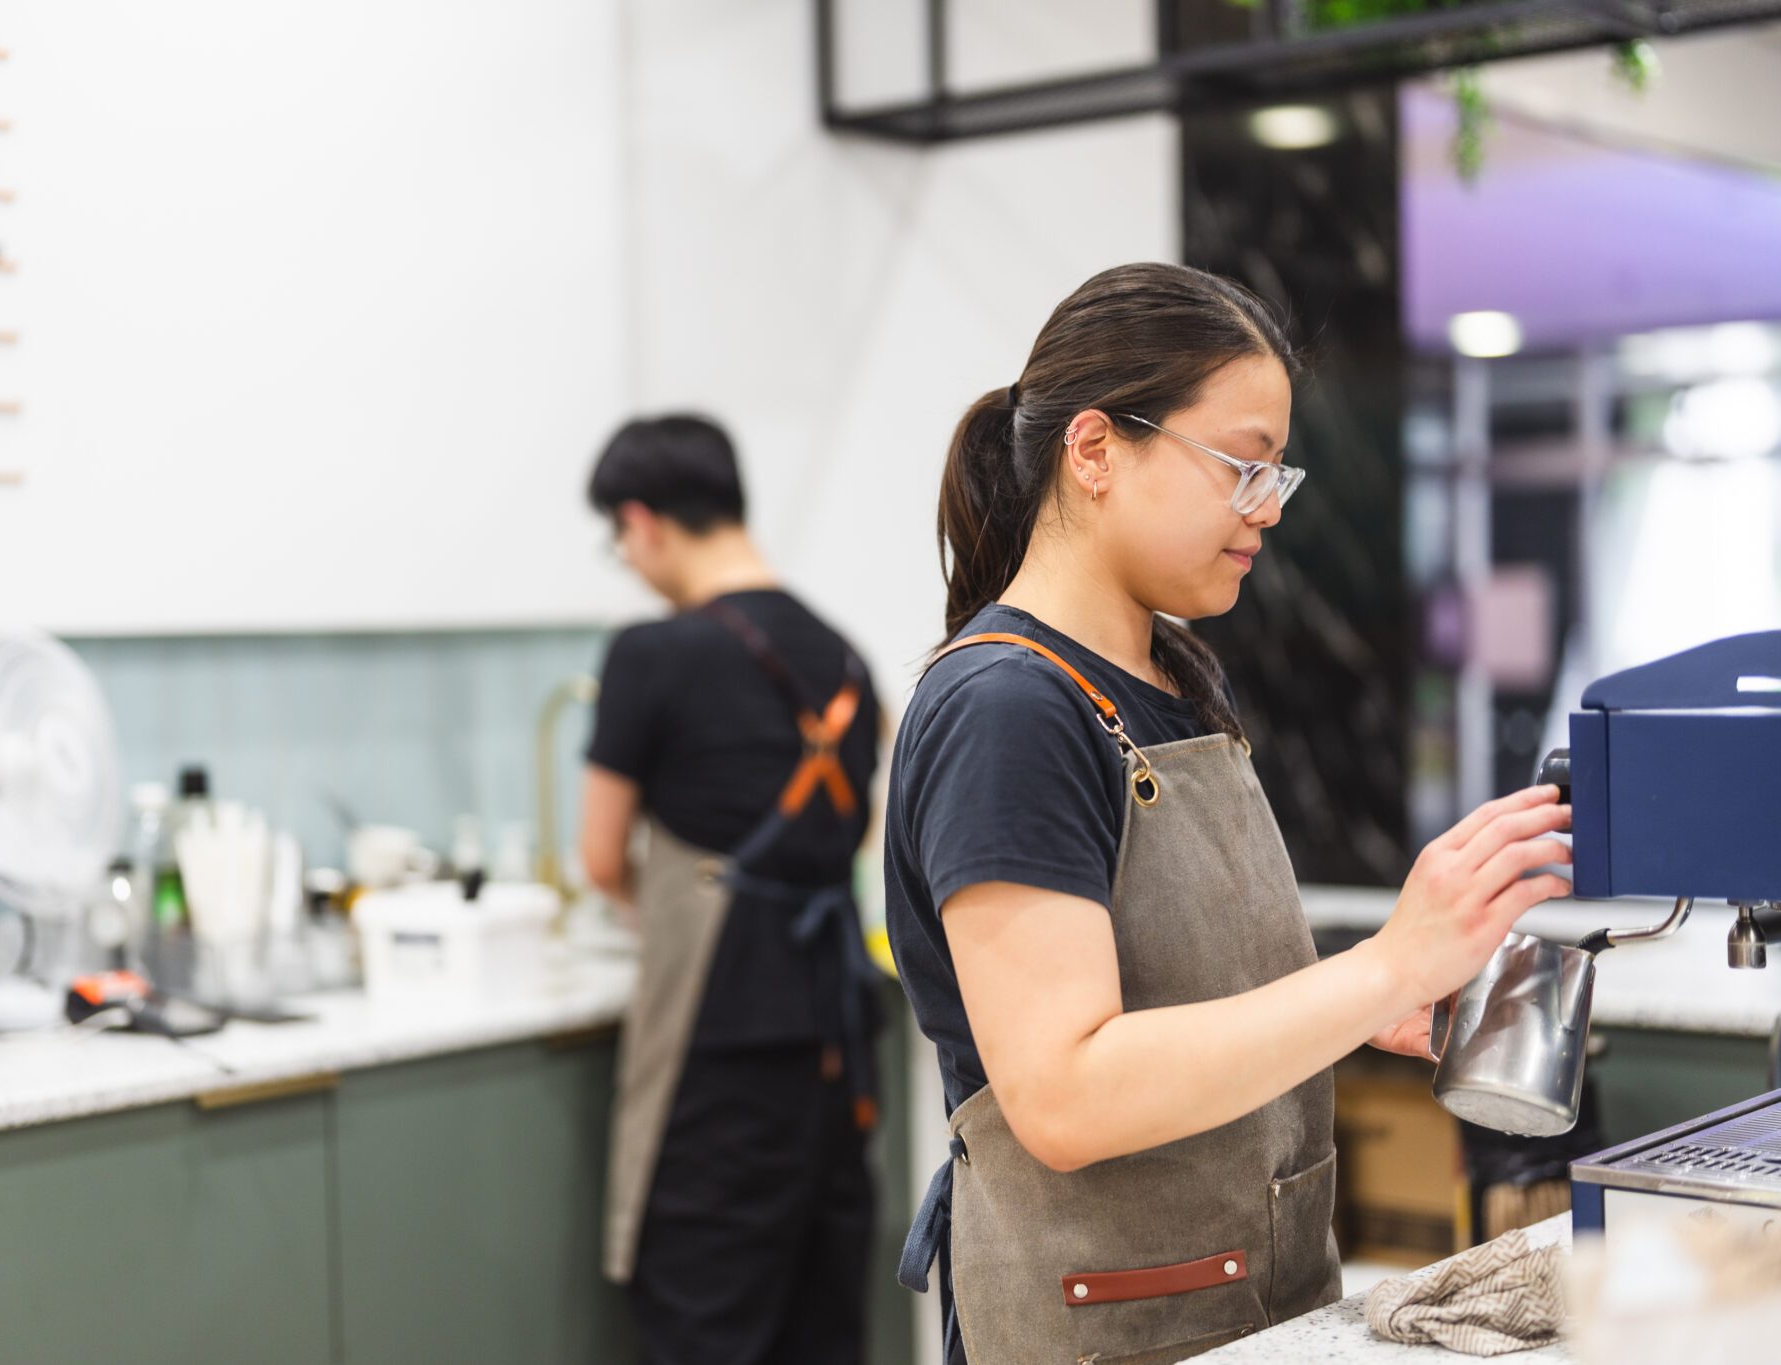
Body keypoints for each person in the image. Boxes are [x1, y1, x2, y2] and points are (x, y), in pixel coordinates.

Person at [883, 262, 1574, 1364]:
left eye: (1277, 476)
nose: (1264, 510)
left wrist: (1357, 1007)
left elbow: (1176, 992)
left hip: (1251, 1311)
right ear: (1096, 450)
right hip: (1104, 1329)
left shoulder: (1175, 677)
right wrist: (1381, 968)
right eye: (1238, 468)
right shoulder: (1005, 708)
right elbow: (1064, 1094)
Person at [579, 414, 885, 1364]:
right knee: (819, 1332)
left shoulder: (651, 655)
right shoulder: (845, 658)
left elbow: (599, 856)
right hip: (837, 1051)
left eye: (618, 539)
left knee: (705, 1332)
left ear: (643, 521)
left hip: (716, 1063)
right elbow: (854, 833)